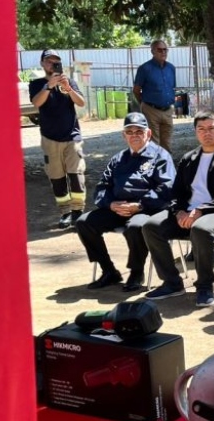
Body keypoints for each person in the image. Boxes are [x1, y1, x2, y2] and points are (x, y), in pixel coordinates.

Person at [141, 112, 214, 307]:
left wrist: (201, 211)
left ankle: (204, 287)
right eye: (201, 129)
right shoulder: (188, 159)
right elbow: (176, 192)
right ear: (196, 132)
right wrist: (179, 211)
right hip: (188, 213)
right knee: (151, 226)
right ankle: (172, 283)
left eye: (212, 128)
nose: (207, 133)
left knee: (201, 229)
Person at [77, 113, 176, 291]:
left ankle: (136, 272)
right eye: (129, 132)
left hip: (147, 209)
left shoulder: (161, 156)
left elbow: (166, 189)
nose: (134, 135)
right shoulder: (118, 159)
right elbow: (101, 188)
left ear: (148, 133)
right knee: (84, 222)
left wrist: (140, 205)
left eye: (139, 131)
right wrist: (110, 204)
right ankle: (109, 271)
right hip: (118, 208)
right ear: (124, 135)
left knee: (135, 227)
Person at [29, 49, 86, 229]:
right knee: (56, 176)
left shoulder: (69, 82)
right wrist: (49, 86)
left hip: (72, 136)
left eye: (55, 62)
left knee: (76, 174)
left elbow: (81, 102)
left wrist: (68, 88)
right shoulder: (37, 84)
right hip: (50, 138)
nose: (52, 64)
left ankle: (78, 212)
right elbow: (37, 103)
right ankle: (65, 213)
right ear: (42, 63)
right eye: (49, 61)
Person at [132, 40, 177, 152]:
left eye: (165, 50)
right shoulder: (144, 69)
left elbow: (172, 88)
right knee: (153, 141)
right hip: (151, 110)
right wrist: (143, 104)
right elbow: (136, 90)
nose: (163, 52)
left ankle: (166, 162)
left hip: (168, 110)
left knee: (167, 142)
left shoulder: (171, 68)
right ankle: (153, 162)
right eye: (159, 50)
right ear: (152, 51)